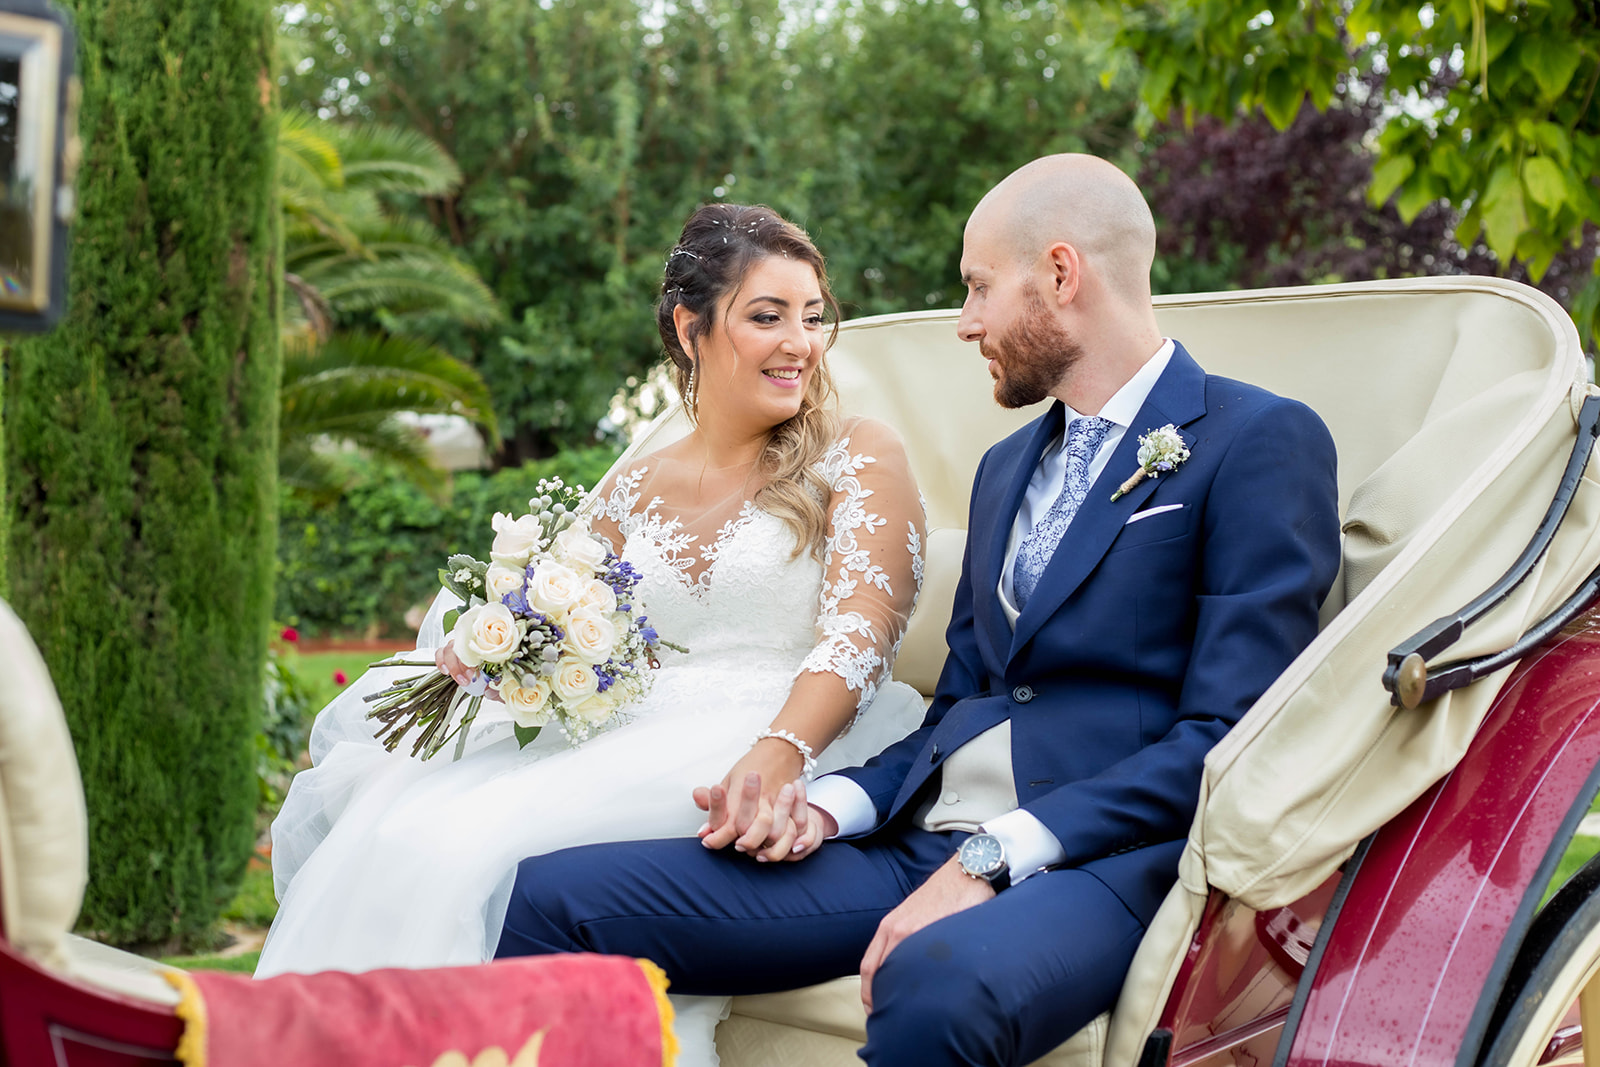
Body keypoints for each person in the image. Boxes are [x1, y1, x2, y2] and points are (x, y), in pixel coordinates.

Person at [492, 154, 1343, 1067]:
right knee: (554, 899)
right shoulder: (1005, 469)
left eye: (978, 289)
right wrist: (824, 806)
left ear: (1060, 274)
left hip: (1111, 861)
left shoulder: (1257, 438)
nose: (967, 321)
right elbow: (961, 710)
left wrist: (991, 860)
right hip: (913, 842)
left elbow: (1230, 736)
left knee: (938, 980)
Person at [255, 204, 929, 1028]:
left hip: (786, 728)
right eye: (767, 315)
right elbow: (559, 604)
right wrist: (504, 650)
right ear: (692, 329)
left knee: (479, 857)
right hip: (631, 725)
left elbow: (865, 630)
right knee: (405, 837)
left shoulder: (856, 450)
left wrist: (779, 751)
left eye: (814, 317)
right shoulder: (634, 483)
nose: (801, 342)